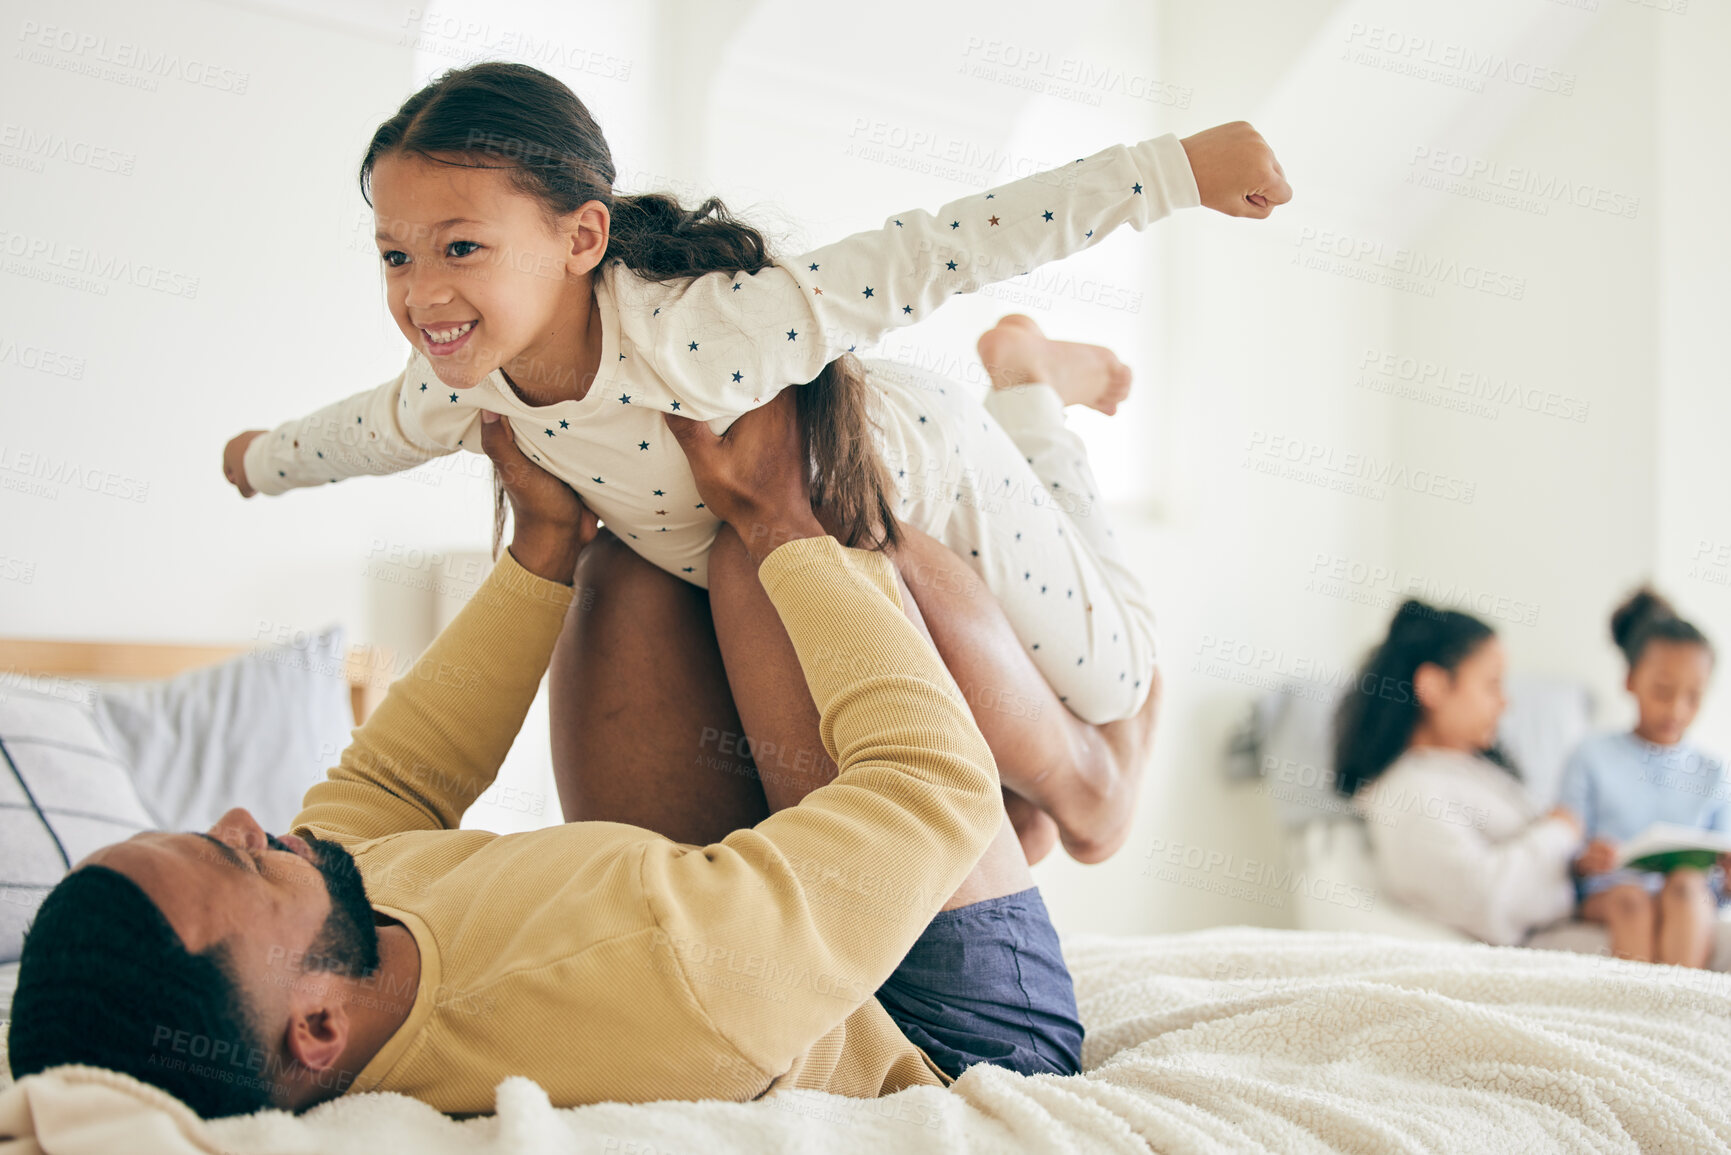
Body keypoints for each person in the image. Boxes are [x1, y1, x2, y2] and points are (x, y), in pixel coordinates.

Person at [219, 61, 1290, 862]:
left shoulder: (704, 335)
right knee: (1024, 819)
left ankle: (1028, 390)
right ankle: (1028, 385)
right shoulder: (464, 385)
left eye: (461, 248)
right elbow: (360, 433)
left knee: (1117, 677)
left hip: (944, 480)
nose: (421, 292)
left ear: (582, 238)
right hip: (820, 566)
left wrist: (1172, 170)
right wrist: (264, 461)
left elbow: (936, 249)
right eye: (395, 256)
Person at [9, 386, 1117, 1119]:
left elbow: (395, 782)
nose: (248, 825)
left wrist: (543, 545)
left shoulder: (336, 932)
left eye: (211, 834)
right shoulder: (649, 975)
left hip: (762, 949)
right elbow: (930, 787)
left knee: (628, 570)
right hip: (944, 1029)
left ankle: (1030, 800)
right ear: (314, 1030)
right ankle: (1095, 781)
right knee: (762, 552)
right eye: (237, 864)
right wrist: (787, 524)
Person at [1332, 600, 1581, 946]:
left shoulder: (1470, 768)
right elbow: (1484, 903)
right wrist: (1560, 834)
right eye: (1491, 684)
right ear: (1433, 686)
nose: (1505, 702)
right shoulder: (1408, 792)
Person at [1560, 587, 1729, 966]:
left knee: (1686, 884)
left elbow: (1722, 864)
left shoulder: (1715, 771)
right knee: (1631, 900)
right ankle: (1637, 1017)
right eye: (1663, 691)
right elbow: (1563, 844)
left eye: (1693, 697)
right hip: (1612, 892)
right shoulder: (1591, 755)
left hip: (1689, 894)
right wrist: (1585, 857)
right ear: (1631, 680)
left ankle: (1677, 1014)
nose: (1677, 709)